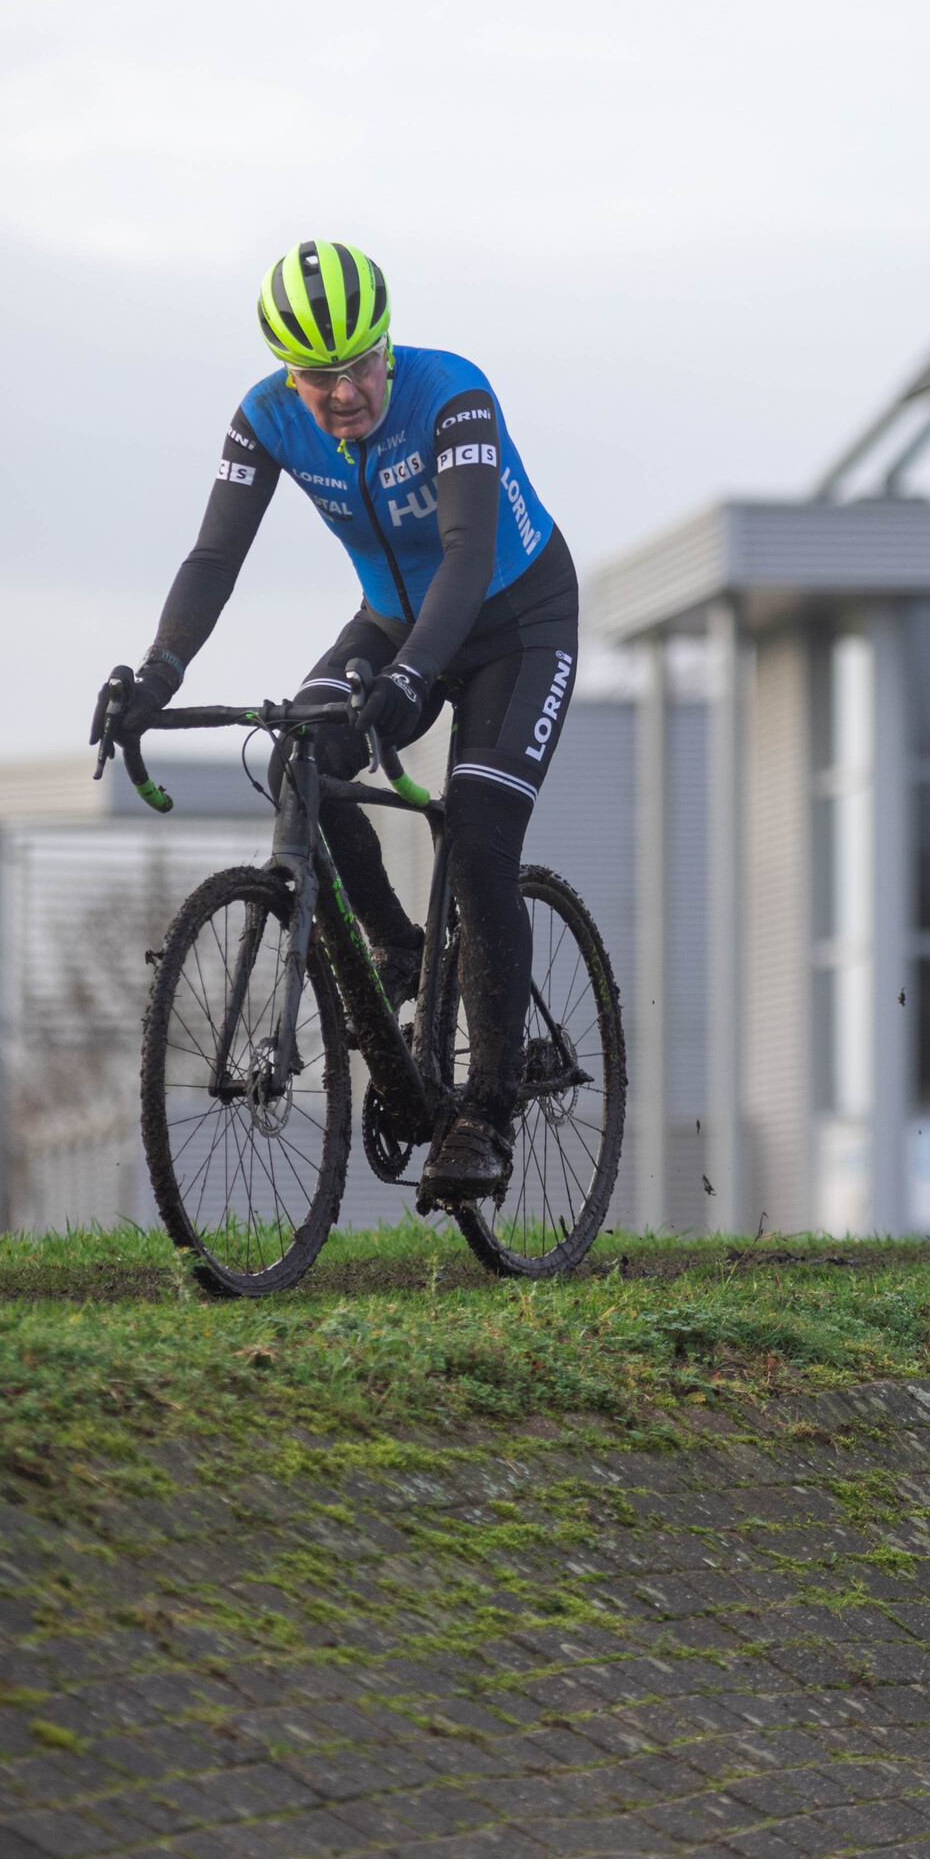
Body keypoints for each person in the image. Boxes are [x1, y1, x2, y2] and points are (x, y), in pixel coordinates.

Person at [92, 240, 577, 1203]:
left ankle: (485, 1112)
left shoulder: (454, 397)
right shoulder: (268, 420)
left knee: (477, 840)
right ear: (288, 373)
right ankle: (397, 951)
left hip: (516, 621)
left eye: (360, 364)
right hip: (395, 619)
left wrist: (409, 680)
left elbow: (468, 552)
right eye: (320, 375)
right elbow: (213, 558)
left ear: (387, 347)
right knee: (295, 762)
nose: (344, 391)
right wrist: (157, 672)